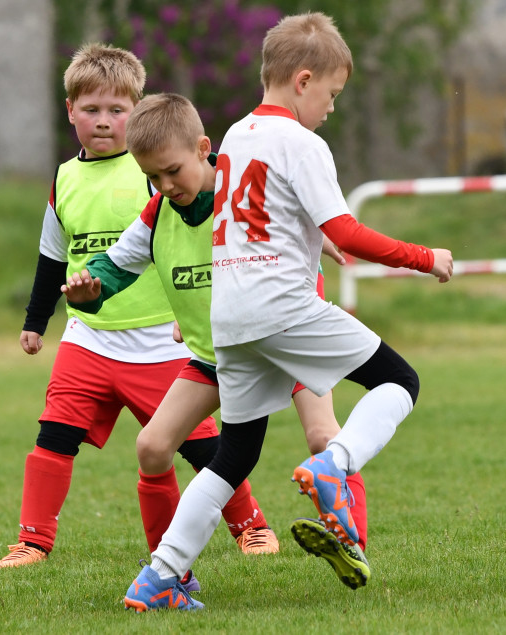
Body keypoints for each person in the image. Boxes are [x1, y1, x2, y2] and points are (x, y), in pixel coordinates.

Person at [111, 13, 454, 611]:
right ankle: (335, 467)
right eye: (331, 94)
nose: (330, 107)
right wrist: (425, 257)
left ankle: (160, 576)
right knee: (400, 380)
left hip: (231, 317)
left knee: (235, 453)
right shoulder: (302, 142)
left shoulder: (237, 135)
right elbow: (345, 230)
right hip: (285, 305)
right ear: (303, 79)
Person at [60, 94, 370, 606]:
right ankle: (171, 575)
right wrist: (90, 290)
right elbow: (114, 269)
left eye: (173, 172)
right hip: (217, 356)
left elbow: (294, 209)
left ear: (205, 149)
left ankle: (350, 542)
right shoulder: (158, 213)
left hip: (283, 339)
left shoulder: (240, 190)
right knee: (152, 448)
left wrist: (319, 231)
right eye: (153, 178)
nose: (165, 187)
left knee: (321, 437)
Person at [0, 43, 278, 572]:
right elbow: (51, 256)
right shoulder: (65, 178)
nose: (104, 122)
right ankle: (32, 542)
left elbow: (196, 242)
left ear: (138, 111)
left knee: (197, 446)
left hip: (157, 339)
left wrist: (186, 312)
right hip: (89, 336)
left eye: (117, 110)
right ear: (70, 111)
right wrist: (37, 322)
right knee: (54, 431)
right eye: (92, 110)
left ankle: (251, 525)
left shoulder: (154, 170)